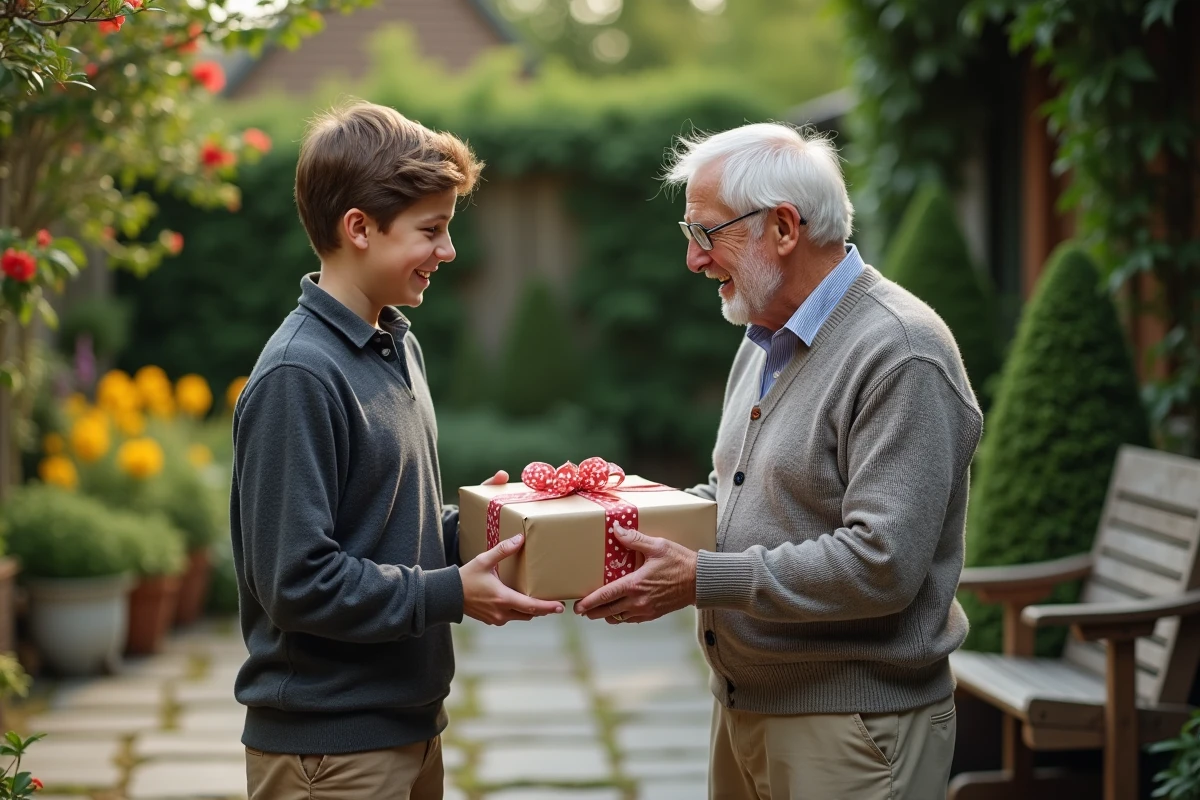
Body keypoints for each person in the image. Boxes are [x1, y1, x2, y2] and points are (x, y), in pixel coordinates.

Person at [574, 122, 983, 799]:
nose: (693, 259)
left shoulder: (901, 352)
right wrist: (620, 516)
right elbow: (738, 494)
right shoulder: (764, 337)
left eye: (707, 232)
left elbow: (881, 564)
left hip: (852, 727)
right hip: (745, 708)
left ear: (784, 228)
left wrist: (702, 578)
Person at [231, 101, 564, 799]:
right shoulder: (299, 374)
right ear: (359, 228)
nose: (449, 250)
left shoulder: (393, 345)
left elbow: (382, 527)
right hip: (331, 752)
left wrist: (493, 524)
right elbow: (297, 581)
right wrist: (451, 592)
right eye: (431, 230)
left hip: (409, 728)